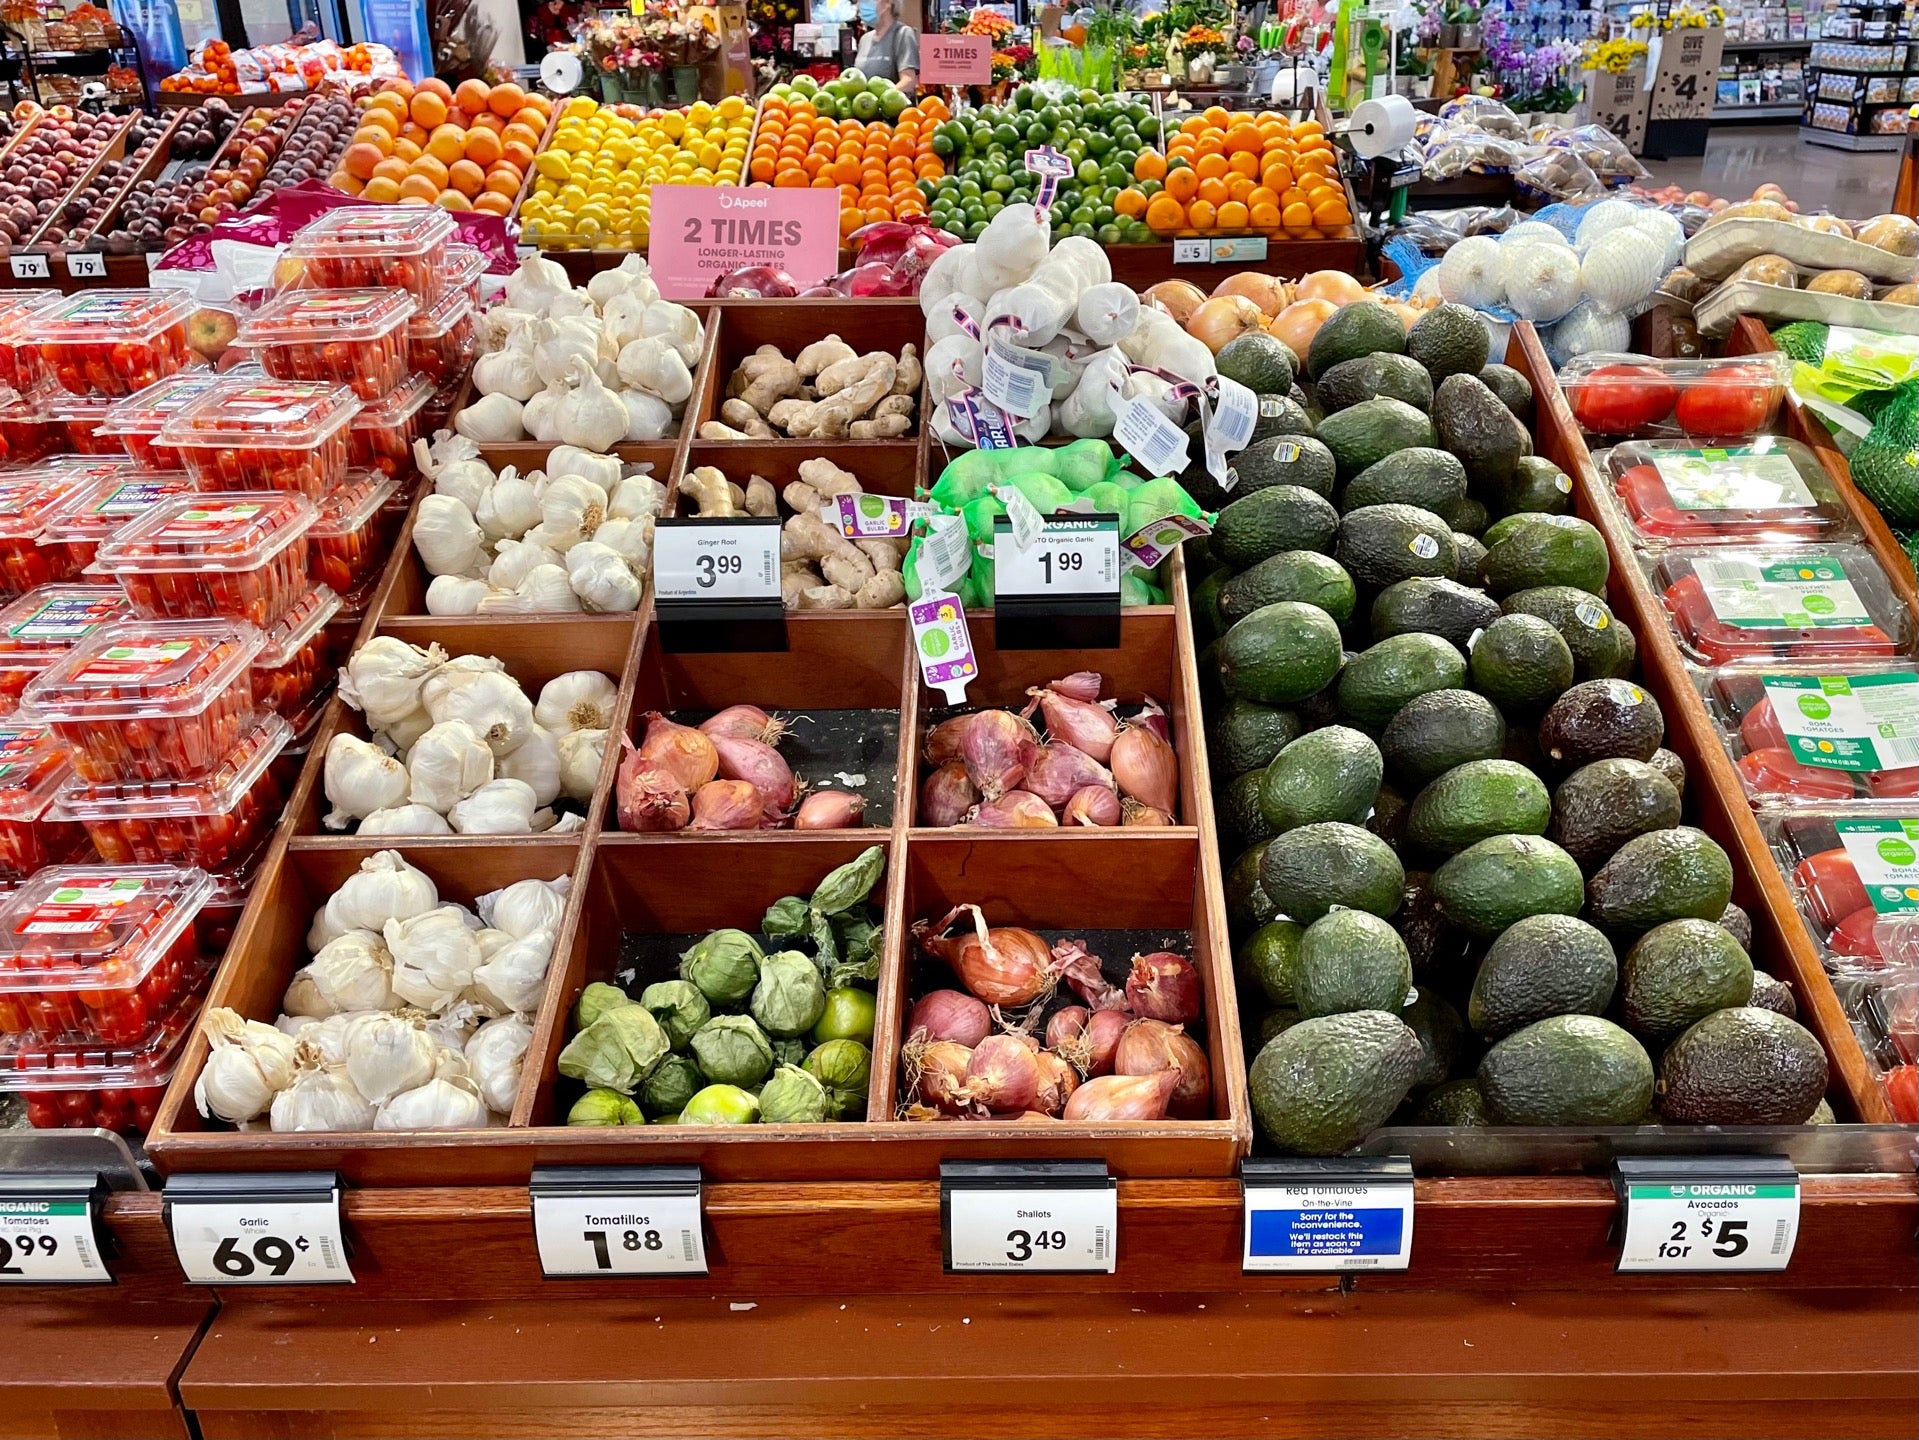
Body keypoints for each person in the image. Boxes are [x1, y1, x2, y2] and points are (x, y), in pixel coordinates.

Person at [852, 0, 918, 94]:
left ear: (887, 2)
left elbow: (908, 81)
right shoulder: (864, 39)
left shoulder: (903, 34)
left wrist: (880, 99)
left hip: (891, 103)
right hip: (864, 102)